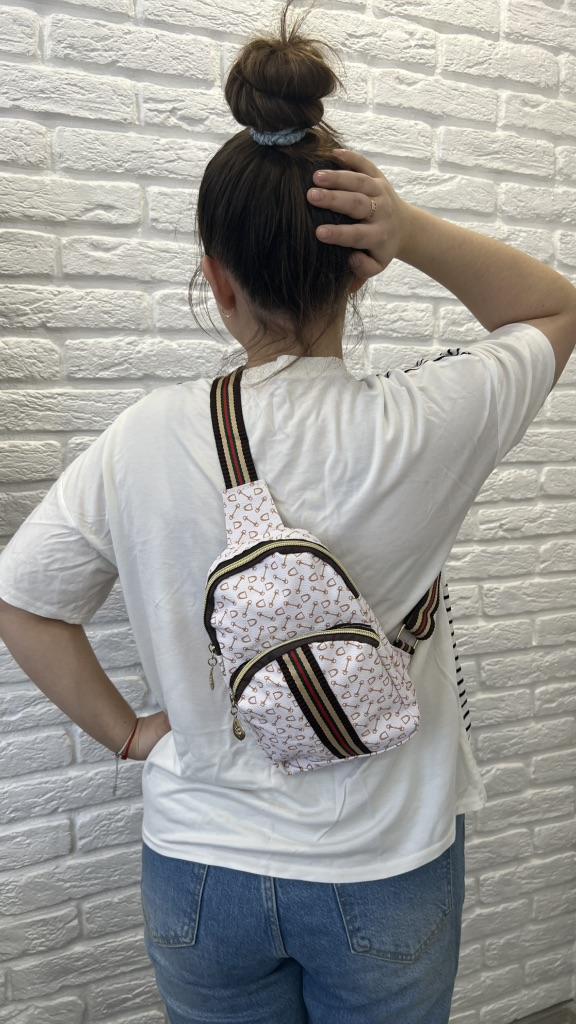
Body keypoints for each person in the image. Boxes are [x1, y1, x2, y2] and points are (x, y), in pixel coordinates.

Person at [0, 2, 575, 1022]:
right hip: (383, 863)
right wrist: (412, 229)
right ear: (360, 271)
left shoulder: (141, 438)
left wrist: (132, 737)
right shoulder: (426, 422)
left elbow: (25, 603)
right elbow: (552, 308)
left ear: (216, 281)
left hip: (199, 865)